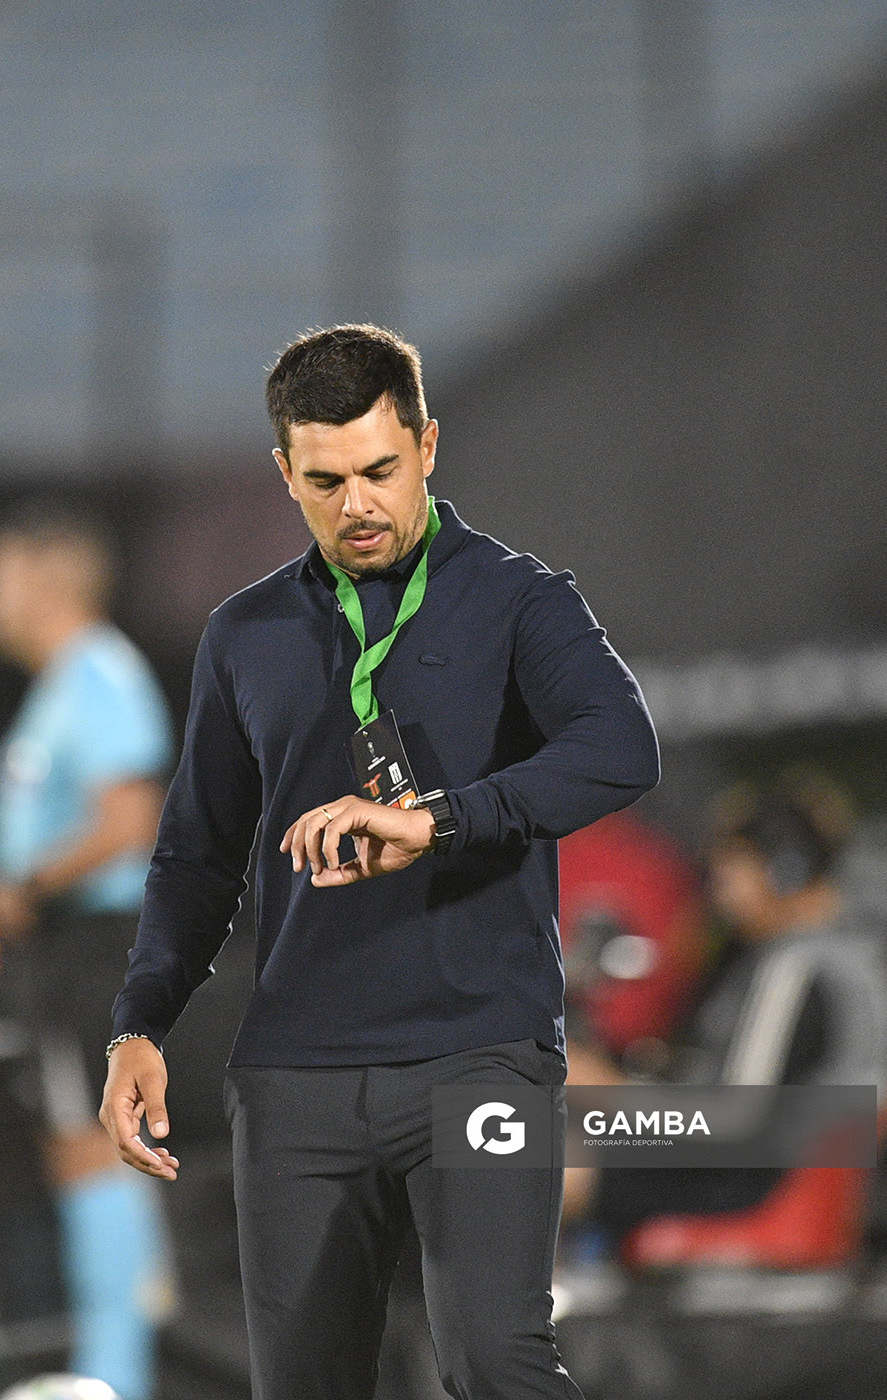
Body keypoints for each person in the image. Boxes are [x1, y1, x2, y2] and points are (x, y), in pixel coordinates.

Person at [100, 323, 661, 1400]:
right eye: (324, 480)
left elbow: (619, 747)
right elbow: (196, 851)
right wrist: (140, 1022)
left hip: (480, 1051)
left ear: (428, 445)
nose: (356, 503)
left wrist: (441, 818)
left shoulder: (518, 598)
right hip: (298, 1073)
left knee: (495, 1356)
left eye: (378, 470)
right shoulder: (245, 631)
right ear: (285, 473)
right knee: (304, 1383)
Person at [0, 501, 175, 1400]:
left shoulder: (98, 674)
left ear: (40, 580)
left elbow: (130, 821)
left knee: (100, 1147)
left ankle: (119, 1373)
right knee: (76, 1147)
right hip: (68, 956)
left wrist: (24, 885)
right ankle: (111, 1362)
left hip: (97, 948)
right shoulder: (63, 684)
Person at [560, 768, 887, 1239]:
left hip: (755, 1185)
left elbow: (736, 1121)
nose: (719, 890)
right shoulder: (836, 954)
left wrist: (606, 1097)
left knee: (524, 1158)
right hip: (757, 1167)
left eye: (732, 871)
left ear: (784, 871)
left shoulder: (795, 967)